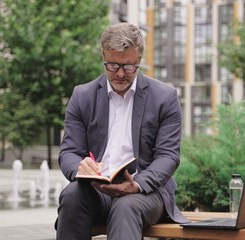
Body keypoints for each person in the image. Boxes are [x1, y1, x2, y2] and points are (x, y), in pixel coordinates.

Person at [55, 22, 189, 240]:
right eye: (112, 65)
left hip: (146, 192)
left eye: (128, 67)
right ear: (103, 57)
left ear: (139, 60)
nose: (119, 74)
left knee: (125, 207)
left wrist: (136, 185)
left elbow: (168, 156)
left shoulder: (165, 97)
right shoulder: (82, 96)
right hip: (97, 190)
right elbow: (69, 152)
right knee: (71, 195)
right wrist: (81, 167)